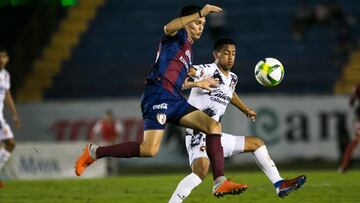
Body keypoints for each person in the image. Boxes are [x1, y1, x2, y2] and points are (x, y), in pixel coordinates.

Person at [75, 4, 248, 197]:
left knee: (212, 126)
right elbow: (167, 28)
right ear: (188, 21)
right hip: (157, 94)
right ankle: (95, 152)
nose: (201, 26)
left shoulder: (188, 51)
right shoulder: (178, 36)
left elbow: (180, 82)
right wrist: (201, 12)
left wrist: (198, 83)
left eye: (203, 23)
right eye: (198, 22)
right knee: (149, 150)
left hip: (174, 98)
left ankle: (219, 181)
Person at [169, 38, 306, 202]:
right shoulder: (207, 70)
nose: (231, 57)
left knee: (257, 144)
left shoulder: (232, 78)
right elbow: (184, 72)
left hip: (215, 136)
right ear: (216, 54)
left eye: (233, 53)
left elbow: (230, 93)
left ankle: (279, 183)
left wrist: (245, 109)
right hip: (198, 133)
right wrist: (199, 83)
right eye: (226, 53)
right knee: (200, 172)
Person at [0, 47, 21, 188]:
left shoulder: (6, 75)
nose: (1, 60)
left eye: (4, 57)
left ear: (7, 59)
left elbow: (7, 95)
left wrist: (14, 113)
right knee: (9, 143)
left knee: (10, 144)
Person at [90, 109, 124, 175]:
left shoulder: (116, 122)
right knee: (104, 159)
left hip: (114, 143)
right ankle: (105, 172)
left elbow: (119, 133)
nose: (108, 118)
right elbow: (95, 132)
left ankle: (114, 173)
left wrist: (114, 140)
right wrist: (94, 141)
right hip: (105, 141)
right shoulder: (101, 122)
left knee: (114, 160)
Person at [338, 83, 360, 173]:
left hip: (358, 119)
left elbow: (351, 102)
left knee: (354, 142)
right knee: (354, 141)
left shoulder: (357, 87)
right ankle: (344, 165)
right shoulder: (357, 87)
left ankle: (344, 165)